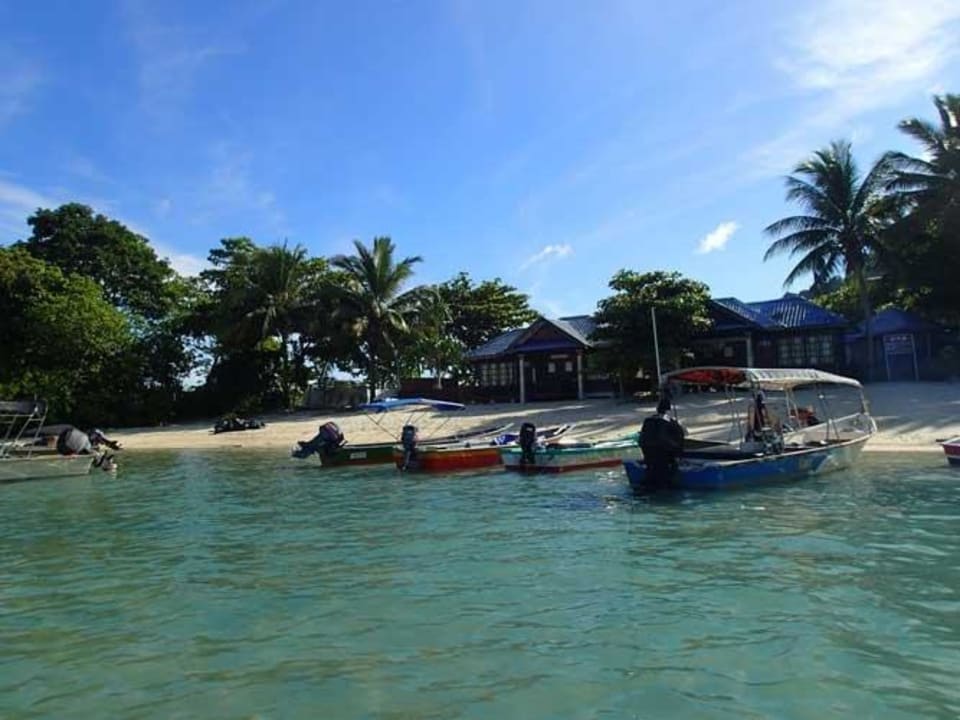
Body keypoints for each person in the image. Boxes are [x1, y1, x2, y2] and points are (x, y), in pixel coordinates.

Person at [640, 397, 685, 488]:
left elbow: (643, 435)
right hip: (661, 452)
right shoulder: (669, 421)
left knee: (651, 472)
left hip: (647, 451)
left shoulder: (648, 420)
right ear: (668, 410)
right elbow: (679, 436)